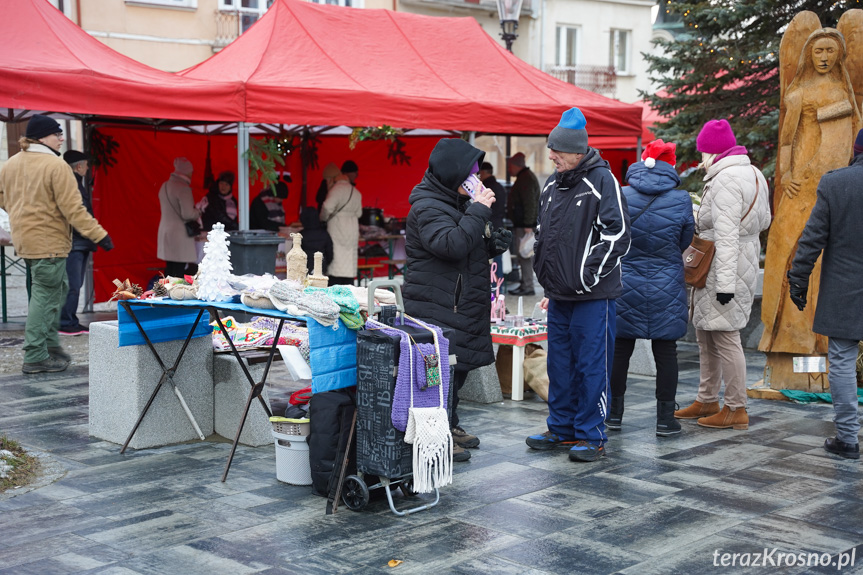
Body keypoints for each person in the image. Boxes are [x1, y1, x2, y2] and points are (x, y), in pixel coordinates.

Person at [525, 107, 630, 462]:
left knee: (591, 365)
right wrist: (547, 277)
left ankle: (591, 435)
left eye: (557, 151)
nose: (551, 156)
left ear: (577, 151)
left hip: (593, 297)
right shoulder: (552, 184)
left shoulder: (602, 181)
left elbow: (618, 236)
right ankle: (562, 428)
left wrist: (587, 276)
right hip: (558, 295)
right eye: (550, 149)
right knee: (559, 364)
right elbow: (544, 233)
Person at [402, 138, 511, 462]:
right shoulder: (427, 206)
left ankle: (452, 422)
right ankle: (439, 431)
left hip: (458, 301)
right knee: (442, 372)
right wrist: (478, 210)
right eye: (470, 174)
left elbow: (465, 242)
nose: (476, 180)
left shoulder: (452, 202)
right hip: (438, 302)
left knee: (458, 366)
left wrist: (492, 242)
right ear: (454, 175)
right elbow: (450, 244)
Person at [760, 27, 859, 358]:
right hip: (802, 185)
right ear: (808, 54)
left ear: (839, 55)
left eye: (831, 51)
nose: (825, 57)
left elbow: (853, 135)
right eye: (818, 51)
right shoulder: (798, 93)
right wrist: (785, 175)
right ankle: (792, 334)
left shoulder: (843, 90)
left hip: (836, 186)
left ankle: (821, 339)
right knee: (792, 248)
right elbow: (787, 140)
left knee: (826, 257)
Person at [674, 119, 771, 429]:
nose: (701, 158)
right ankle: (707, 398)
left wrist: (725, 287)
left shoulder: (726, 180)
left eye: (703, 152)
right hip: (736, 261)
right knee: (707, 335)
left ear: (713, 152)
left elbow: (727, 237)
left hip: (722, 268)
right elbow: (763, 222)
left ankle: (735, 407)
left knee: (726, 337)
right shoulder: (754, 174)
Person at [0, 114, 113, 374]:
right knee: (45, 295)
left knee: (56, 291)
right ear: (42, 137)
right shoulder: (55, 165)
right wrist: (99, 235)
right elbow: (74, 209)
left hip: (28, 239)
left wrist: (20, 213)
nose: (61, 138)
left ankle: (48, 348)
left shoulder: (11, 163)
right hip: (48, 241)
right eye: (57, 134)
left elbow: (3, 196)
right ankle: (35, 355)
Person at [607, 140, 694, 436]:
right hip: (666, 282)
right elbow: (685, 240)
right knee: (666, 351)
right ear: (671, 166)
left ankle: (613, 415)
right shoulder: (681, 199)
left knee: (620, 349)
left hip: (625, 279)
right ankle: (665, 420)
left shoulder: (622, 194)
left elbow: (613, 234)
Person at [786, 128, 863, 460]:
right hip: (845, 289)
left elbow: (811, 238)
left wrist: (798, 280)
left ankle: (848, 439)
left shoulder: (836, 183)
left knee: (842, 362)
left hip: (844, 289)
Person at [58, 150, 98, 336]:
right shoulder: (72, 184)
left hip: (78, 241)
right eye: (86, 165)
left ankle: (70, 319)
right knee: (72, 284)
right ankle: (65, 321)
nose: (88, 168)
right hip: (75, 242)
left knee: (75, 284)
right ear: (79, 166)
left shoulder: (74, 182)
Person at [157, 157, 201, 278]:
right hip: (179, 234)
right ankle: (175, 294)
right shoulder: (183, 189)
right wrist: (198, 211)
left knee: (169, 267)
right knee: (178, 270)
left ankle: (166, 292)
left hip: (165, 231)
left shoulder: (164, 186)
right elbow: (187, 214)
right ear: (186, 172)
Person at [320, 161, 362, 285]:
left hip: (337, 226)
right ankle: (348, 284)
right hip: (352, 227)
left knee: (336, 260)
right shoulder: (355, 191)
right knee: (349, 260)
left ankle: (335, 285)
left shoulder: (336, 189)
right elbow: (359, 213)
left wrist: (323, 218)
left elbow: (327, 207)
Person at [506, 151, 540, 296]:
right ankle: (524, 283)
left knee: (525, 254)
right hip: (523, 223)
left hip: (525, 225)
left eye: (509, 167)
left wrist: (528, 224)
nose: (508, 170)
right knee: (523, 255)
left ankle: (527, 285)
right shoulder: (525, 177)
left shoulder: (525, 179)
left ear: (515, 166)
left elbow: (529, 203)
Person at [298, 206, 333, 274]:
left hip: (304, 270)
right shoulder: (325, 234)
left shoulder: (300, 235)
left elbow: (295, 255)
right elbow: (330, 255)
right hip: (321, 269)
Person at [479, 162, 506, 230]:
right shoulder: (499, 186)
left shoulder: (484, 188)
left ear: (482, 172)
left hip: (488, 225)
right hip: (499, 222)